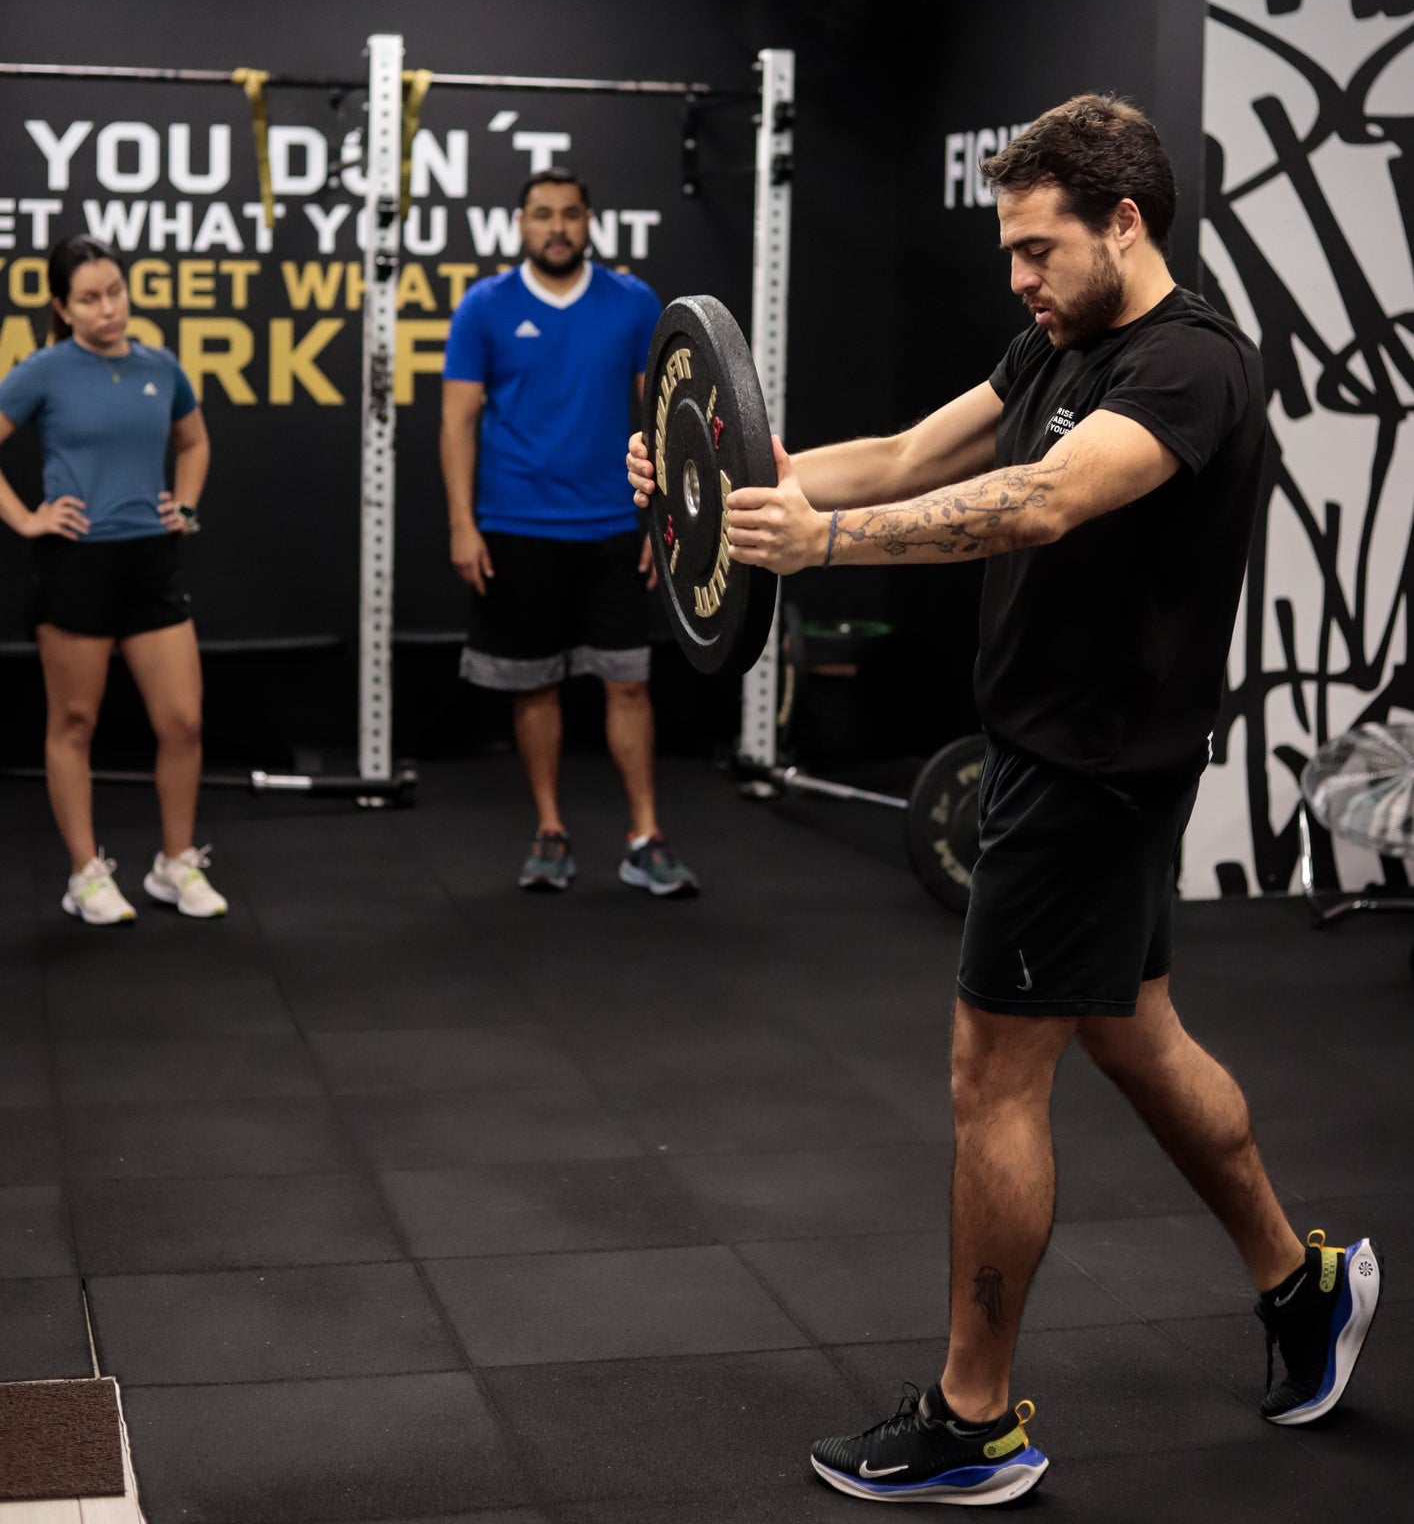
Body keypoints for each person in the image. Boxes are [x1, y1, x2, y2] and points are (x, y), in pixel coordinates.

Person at [629, 95, 1381, 1504]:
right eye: (1008, 253)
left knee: (992, 1073)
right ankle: (1301, 1283)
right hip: (1062, 752)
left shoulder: (1187, 369)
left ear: (1123, 222)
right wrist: (732, 491)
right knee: (1134, 1036)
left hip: (1089, 773)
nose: (1018, 279)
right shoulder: (1059, 340)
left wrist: (827, 544)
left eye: (1037, 249)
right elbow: (915, 456)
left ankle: (976, 1419)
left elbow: (1039, 501)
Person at [441, 166, 698, 897]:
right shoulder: (484, 307)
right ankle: (550, 830)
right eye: (542, 214)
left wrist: (662, 519)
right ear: (520, 225)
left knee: (629, 687)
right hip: (516, 524)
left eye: (570, 214)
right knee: (535, 688)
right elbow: (457, 422)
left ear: (590, 221)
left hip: (614, 526)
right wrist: (463, 523)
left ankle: (645, 836)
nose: (557, 227)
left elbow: (665, 420)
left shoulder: (633, 302)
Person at [0, 236, 226, 926]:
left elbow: (194, 441)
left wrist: (184, 505)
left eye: (116, 293)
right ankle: (85, 875)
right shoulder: (42, 371)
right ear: (63, 309)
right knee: (75, 721)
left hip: (151, 564)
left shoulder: (161, 366)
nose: (109, 309)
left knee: (183, 721)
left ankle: (175, 864)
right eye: (91, 299)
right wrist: (27, 519)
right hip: (78, 564)